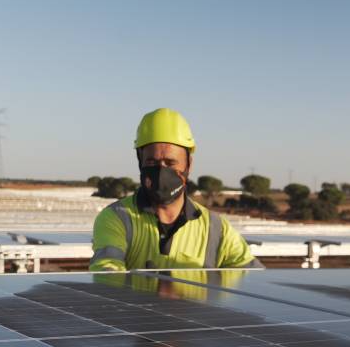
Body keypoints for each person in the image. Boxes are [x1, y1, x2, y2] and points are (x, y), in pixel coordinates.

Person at [90, 108, 263, 272]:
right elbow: (108, 274)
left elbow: (252, 278)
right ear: (140, 162)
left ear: (189, 165)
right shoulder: (116, 218)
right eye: (152, 162)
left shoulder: (217, 229)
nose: (161, 171)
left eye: (170, 163)